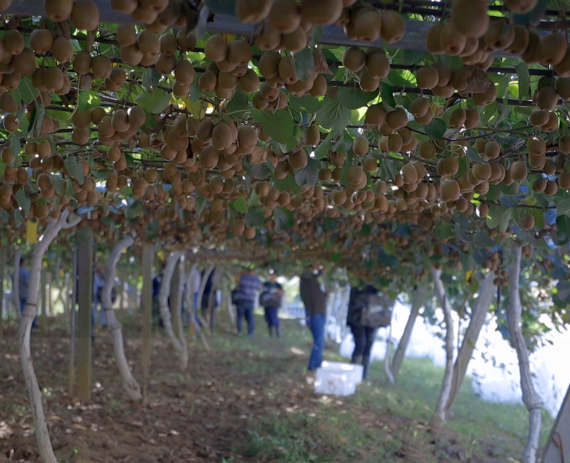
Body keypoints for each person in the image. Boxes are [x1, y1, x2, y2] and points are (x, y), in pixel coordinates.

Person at [347, 283, 392, 380]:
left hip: (373, 317)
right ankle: (353, 372)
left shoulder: (380, 281)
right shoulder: (359, 281)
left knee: (368, 344)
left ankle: (364, 375)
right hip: (358, 317)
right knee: (361, 344)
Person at [300, 264, 327, 371]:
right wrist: (320, 272)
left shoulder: (313, 284)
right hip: (315, 314)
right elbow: (309, 276)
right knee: (319, 341)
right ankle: (314, 366)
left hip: (318, 314)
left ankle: (316, 365)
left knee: (319, 341)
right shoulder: (307, 281)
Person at [234, 267, 262, 337]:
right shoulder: (256, 279)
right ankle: (250, 333)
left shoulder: (243, 278)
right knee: (250, 318)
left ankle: (239, 331)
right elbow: (260, 288)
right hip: (250, 300)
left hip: (242, 300)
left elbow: (238, 287)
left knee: (240, 317)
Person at [260, 271, 284, 338]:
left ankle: (278, 334)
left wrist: (276, 290)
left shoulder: (278, 285)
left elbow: (282, 292)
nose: (272, 277)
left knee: (274, 318)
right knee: (268, 318)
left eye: (273, 275)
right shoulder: (266, 283)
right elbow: (261, 288)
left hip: (274, 304)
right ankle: (271, 334)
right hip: (267, 304)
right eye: (271, 275)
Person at [16, 257, 36, 328]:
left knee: (22, 309)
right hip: (26, 294)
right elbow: (28, 283)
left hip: (18, 294)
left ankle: (23, 324)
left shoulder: (15, 272)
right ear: (23, 263)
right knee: (31, 308)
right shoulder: (25, 272)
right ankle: (33, 324)